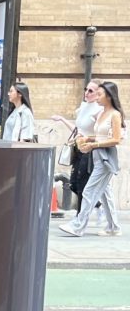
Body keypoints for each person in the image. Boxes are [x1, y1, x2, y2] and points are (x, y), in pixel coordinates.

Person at [59, 79, 123, 237]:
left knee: (88, 191)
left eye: (100, 94)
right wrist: (88, 139)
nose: (97, 97)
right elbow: (100, 135)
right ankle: (113, 227)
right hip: (96, 156)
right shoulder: (102, 113)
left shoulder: (115, 115)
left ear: (109, 96)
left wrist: (92, 145)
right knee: (104, 193)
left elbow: (116, 139)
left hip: (105, 158)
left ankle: (78, 226)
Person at [52, 80, 102, 220]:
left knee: (82, 184)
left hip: (90, 151)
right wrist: (62, 119)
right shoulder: (83, 107)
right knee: (73, 184)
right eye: (86, 89)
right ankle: (98, 206)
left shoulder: (99, 110)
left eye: (91, 91)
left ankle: (80, 218)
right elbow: (77, 130)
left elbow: (102, 134)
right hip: (78, 149)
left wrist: (87, 138)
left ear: (98, 93)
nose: (87, 93)